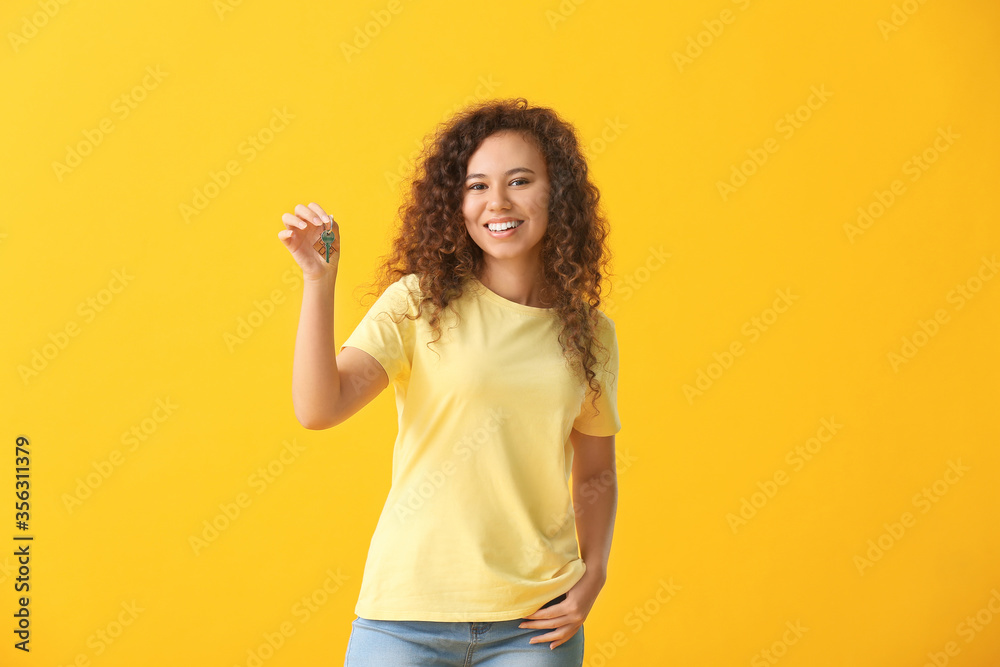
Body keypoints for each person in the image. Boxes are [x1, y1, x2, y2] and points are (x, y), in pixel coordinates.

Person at [277, 97, 622, 667]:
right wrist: (319, 281)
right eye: (477, 186)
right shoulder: (418, 303)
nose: (498, 203)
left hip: (534, 621)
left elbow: (596, 470)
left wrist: (594, 576)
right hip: (405, 615)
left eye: (519, 181)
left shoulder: (592, 332)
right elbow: (318, 408)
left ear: (556, 192)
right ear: (455, 202)